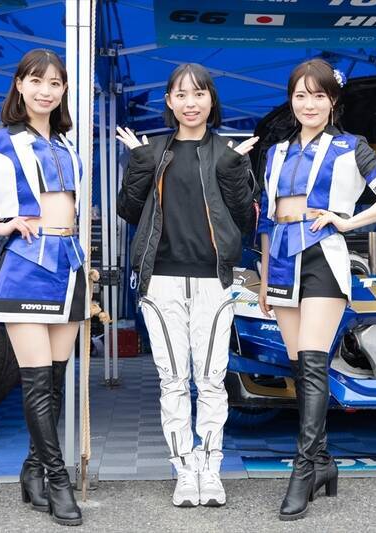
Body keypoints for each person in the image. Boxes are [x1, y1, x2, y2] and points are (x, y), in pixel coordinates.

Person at [256, 59, 376, 521]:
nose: (309, 104)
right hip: (282, 261)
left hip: (323, 255)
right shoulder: (275, 152)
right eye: (301, 95)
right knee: (298, 365)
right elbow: (266, 219)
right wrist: (264, 277)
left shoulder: (351, 146)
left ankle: (303, 469)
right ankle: (323, 461)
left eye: (318, 95)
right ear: (291, 100)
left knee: (313, 362)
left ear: (333, 101)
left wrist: (347, 222)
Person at [0, 49, 85, 527]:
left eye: (55, 83)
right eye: (37, 81)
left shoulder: (67, 145)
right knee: (37, 380)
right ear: (20, 85)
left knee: (56, 380)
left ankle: (32, 470)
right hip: (26, 264)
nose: (46, 91)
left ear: (63, 91)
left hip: (70, 264)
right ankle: (57, 479)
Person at [116, 63, 257, 508]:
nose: (190, 103)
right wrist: (139, 164)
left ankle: (210, 470)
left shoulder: (227, 152)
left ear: (211, 100)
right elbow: (127, 210)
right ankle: (184, 470)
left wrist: (234, 170)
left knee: (211, 380)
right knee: (172, 381)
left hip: (215, 282)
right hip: (161, 282)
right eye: (181, 94)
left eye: (198, 94)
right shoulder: (153, 151)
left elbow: (245, 220)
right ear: (169, 102)